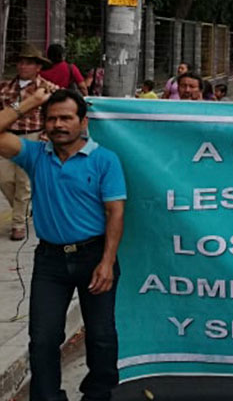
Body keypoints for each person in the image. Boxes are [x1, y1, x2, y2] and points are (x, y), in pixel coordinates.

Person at [0, 87, 126, 401]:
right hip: (50, 262)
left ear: (83, 122)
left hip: (95, 256)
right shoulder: (34, 157)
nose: (58, 124)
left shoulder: (105, 161)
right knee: (42, 338)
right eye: (52, 118)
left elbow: (115, 212)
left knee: (101, 337)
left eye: (66, 118)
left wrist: (108, 261)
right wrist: (30, 102)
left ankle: (99, 393)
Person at [0, 44, 61, 240]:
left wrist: (45, 138)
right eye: (20, 62)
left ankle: (18, 223)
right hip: (8, 135)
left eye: (28, 63)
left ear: (38, 67)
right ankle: (25, 211)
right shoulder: (5, 87)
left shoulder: (47, 88)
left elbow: (52, 114)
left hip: (33, 136)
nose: (23, 66)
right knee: (5, 179)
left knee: (24, 182)